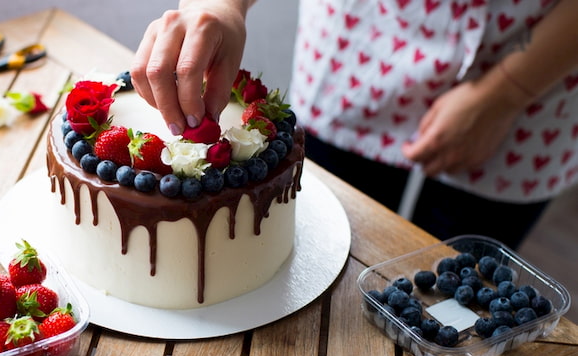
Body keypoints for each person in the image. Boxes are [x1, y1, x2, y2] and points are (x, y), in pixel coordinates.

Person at [131, 0, 578, 249]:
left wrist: (508, 93)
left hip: (541, 79)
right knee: (322, 256)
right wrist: (221, 6)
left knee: (460, 302)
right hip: (359, 52)